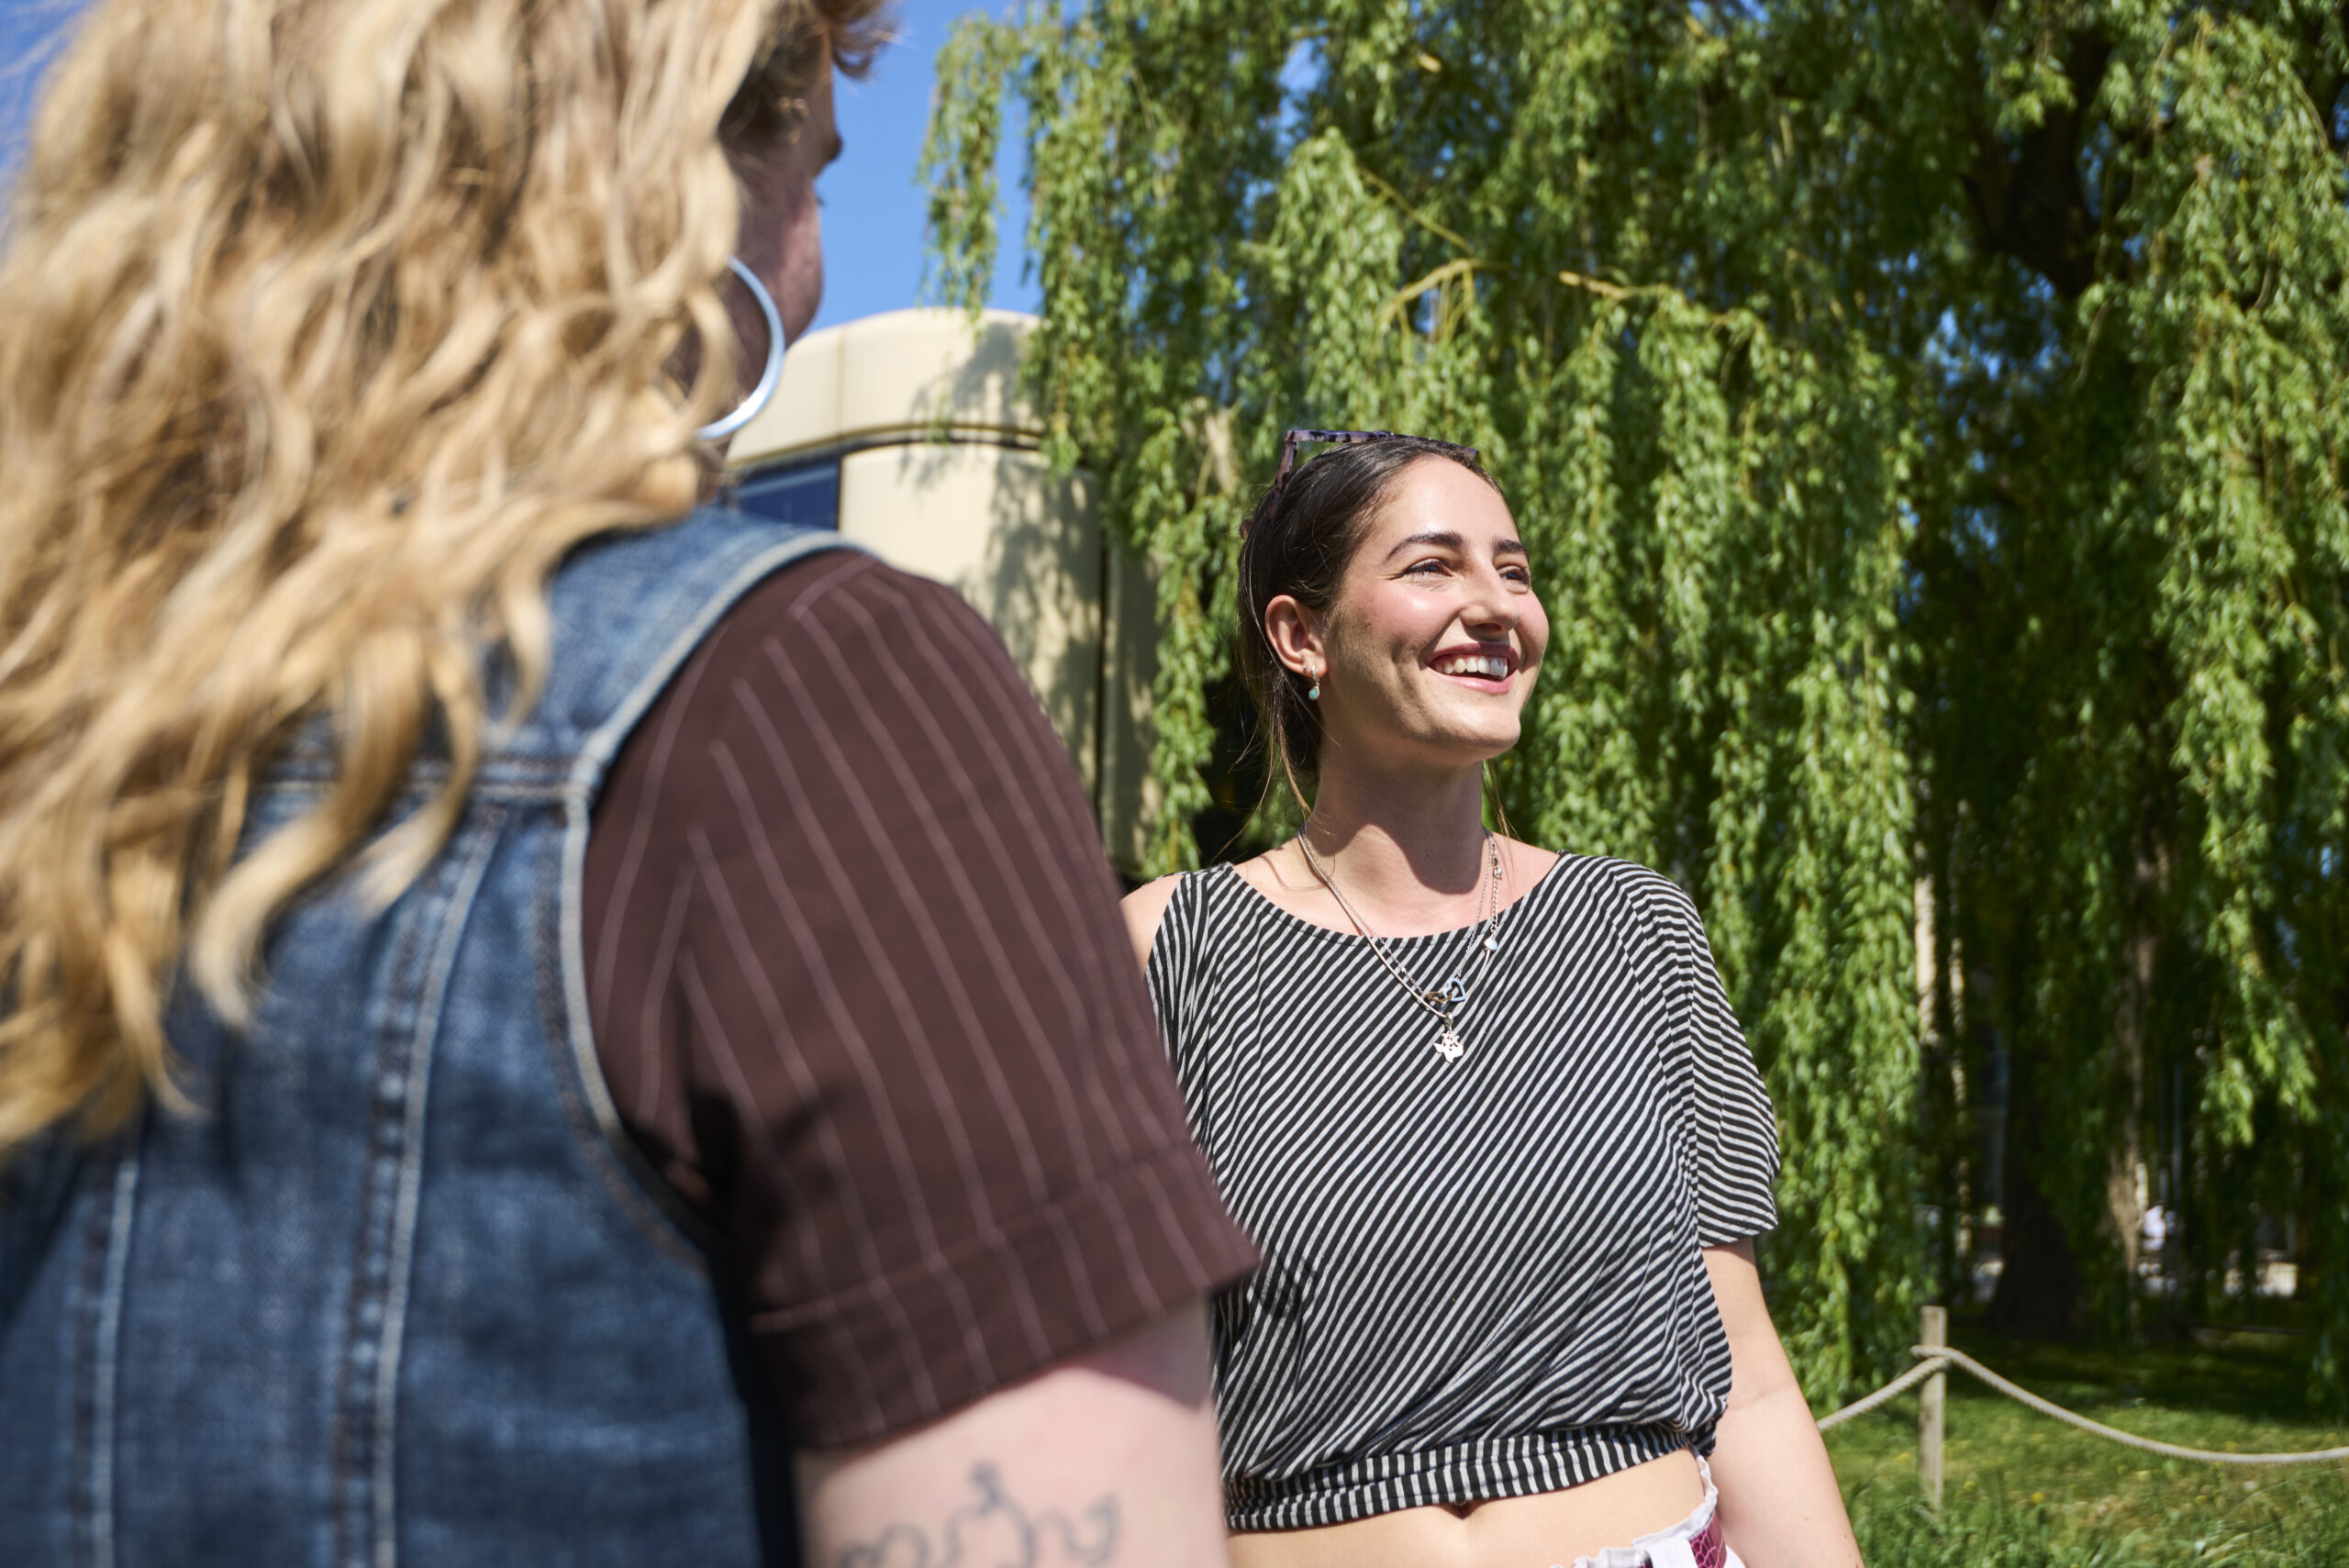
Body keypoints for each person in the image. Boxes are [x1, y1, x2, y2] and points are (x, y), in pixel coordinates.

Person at [0, 3, 1253, 1564]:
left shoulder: (52, 749)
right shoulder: (809, 692)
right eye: (809, 181)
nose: (811, 275)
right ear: (651, 192)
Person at [1121, 430, 1865, 1568]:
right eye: (1432, 565)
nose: (1494, 605)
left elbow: (1748, 1378)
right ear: (1300, 635)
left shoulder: (1636, 930)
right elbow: (1120, 1400)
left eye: (1511, 569)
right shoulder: (1170, 945)